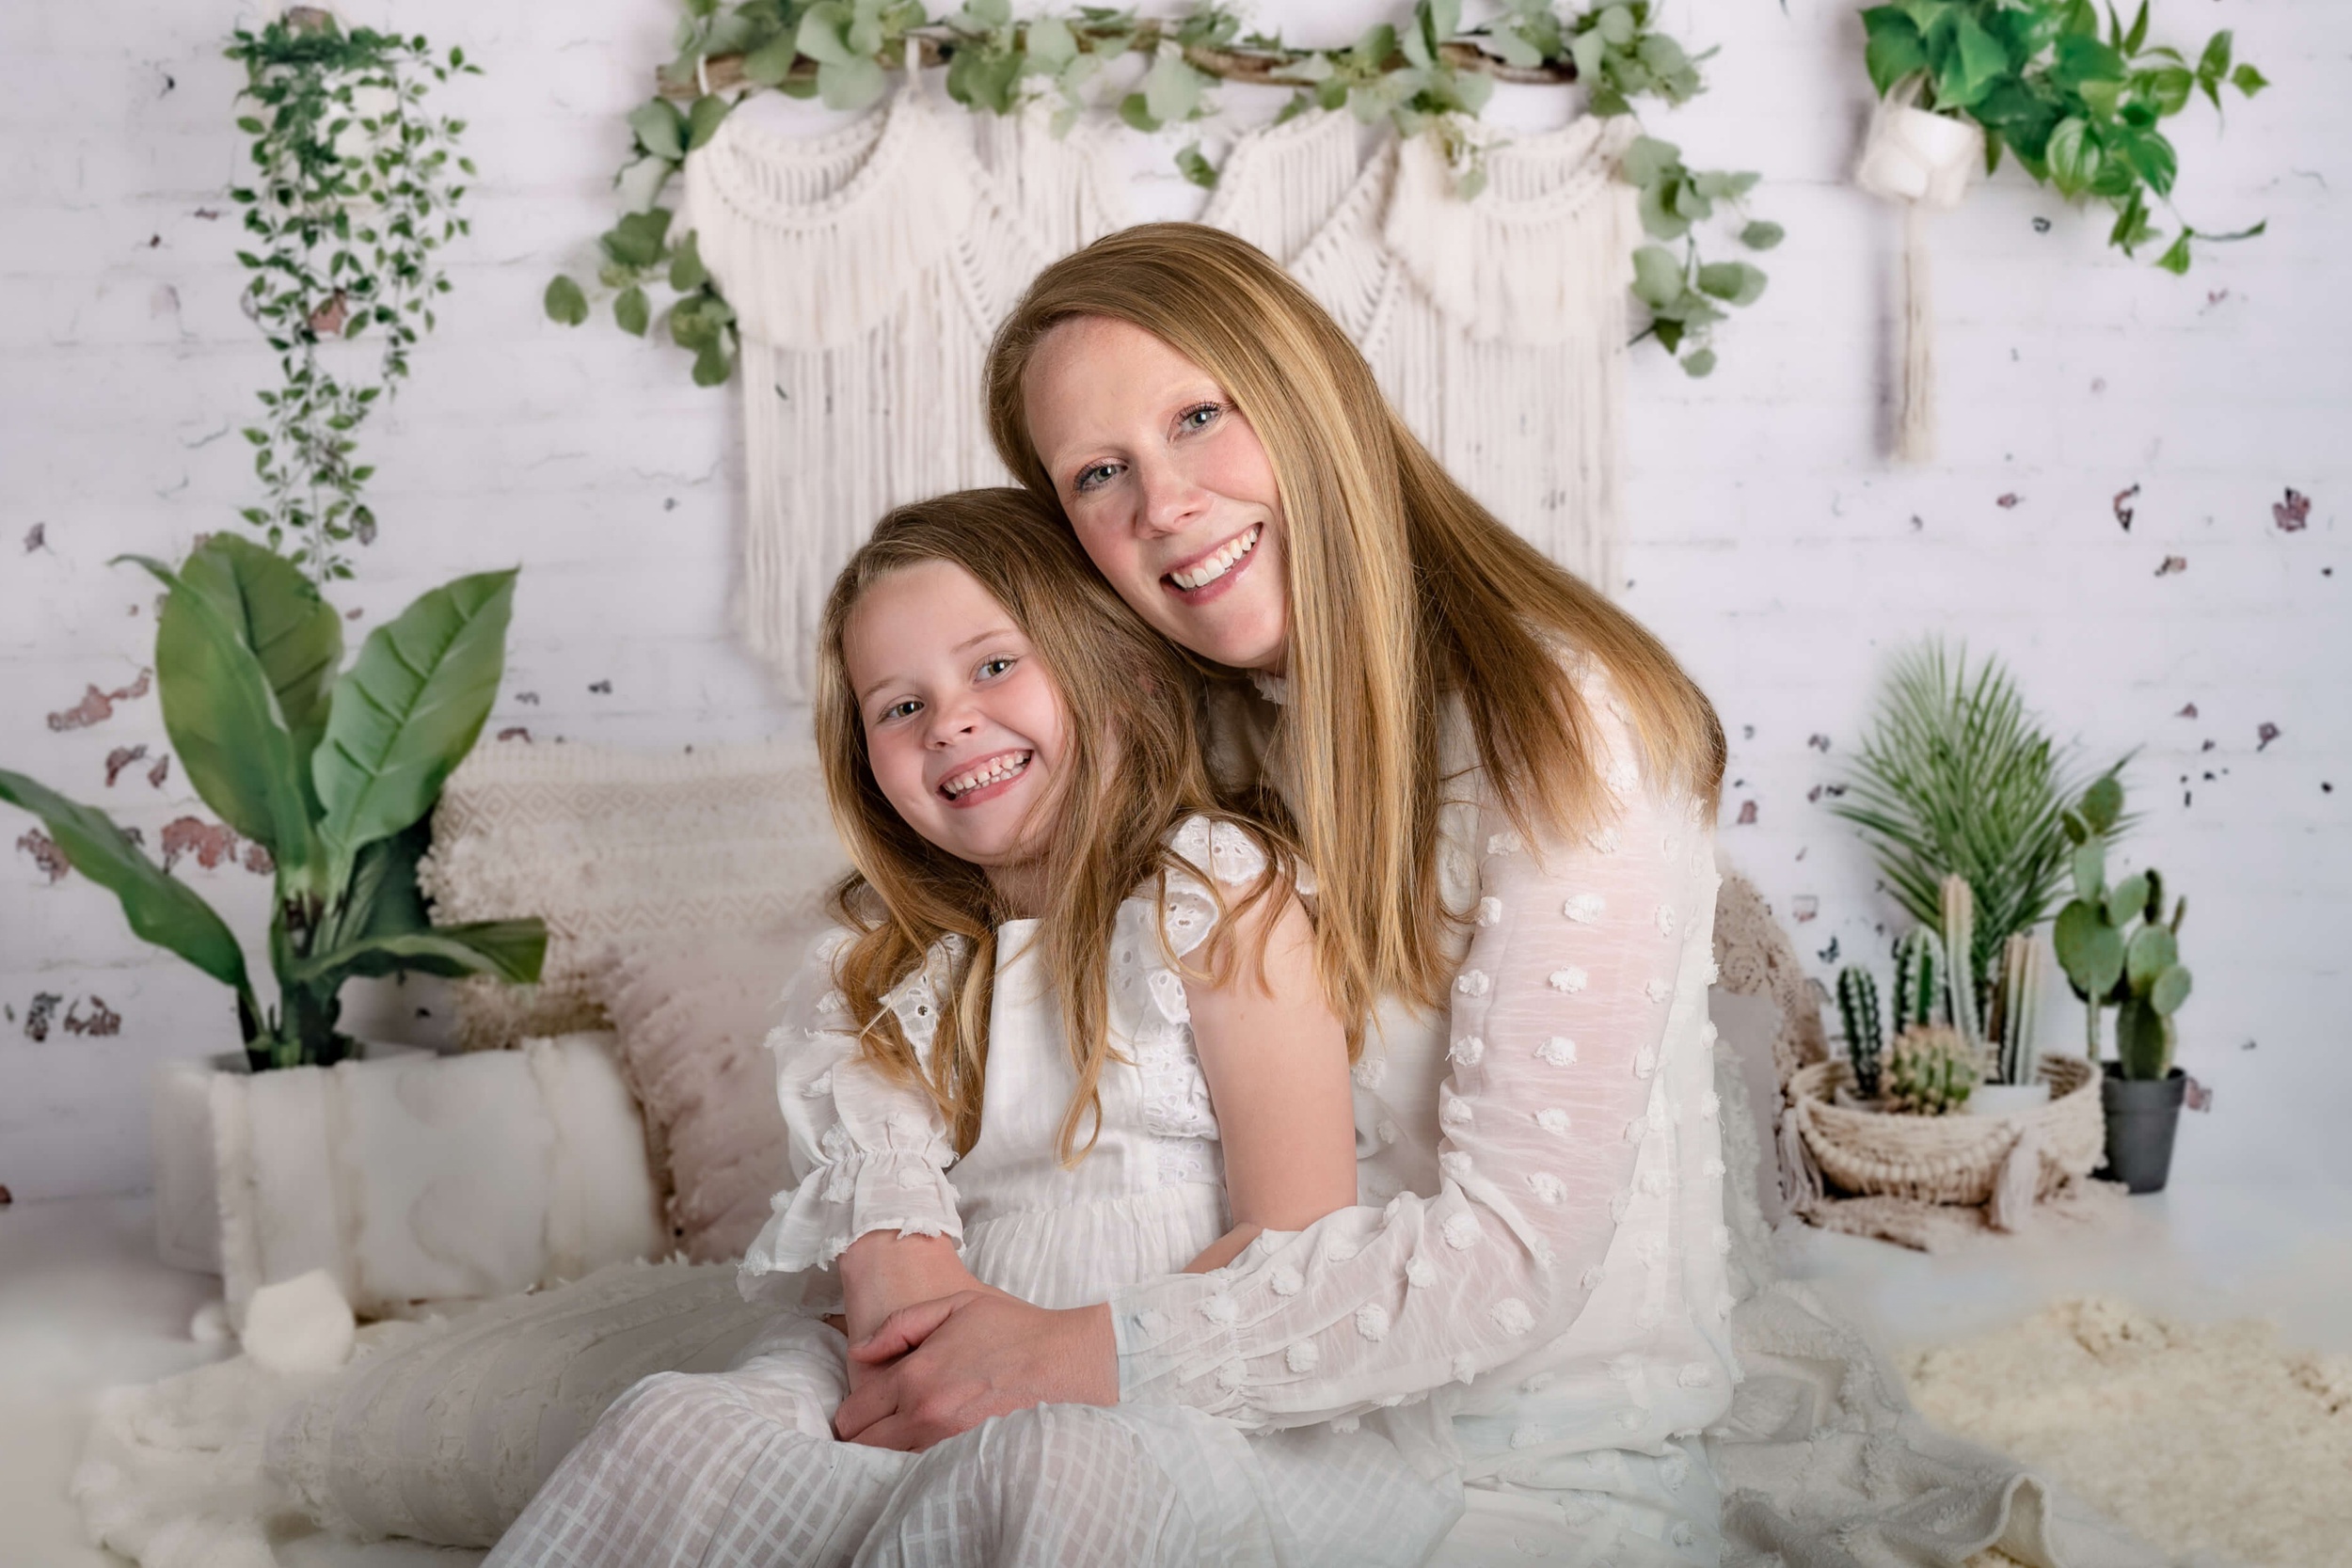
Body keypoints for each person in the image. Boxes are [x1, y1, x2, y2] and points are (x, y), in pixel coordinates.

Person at [819, 224, 1740, 1565]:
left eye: (1199, 416)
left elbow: (1513, 1256)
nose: (1167, 503)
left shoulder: (1565, 722)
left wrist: (1079, 1346)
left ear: (1307, 391)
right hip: (1225, 1426)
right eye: (1099, 474)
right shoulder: (1185, 723)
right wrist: (894, 1220)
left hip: (1522, 1450)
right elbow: (919, 944)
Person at [485, 489, 1463, 1567]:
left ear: (1122, 669)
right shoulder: (873, 971)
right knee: (676, 1427)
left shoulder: (1220, 896)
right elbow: (892, 1264)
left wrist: (1054, 1355)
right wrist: (927, 1363)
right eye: (897, 706)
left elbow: (1296, 1234)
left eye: (995, 665)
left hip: (1179, 1380)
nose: (947, 720)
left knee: (1050, 1465)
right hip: (938, 1348)